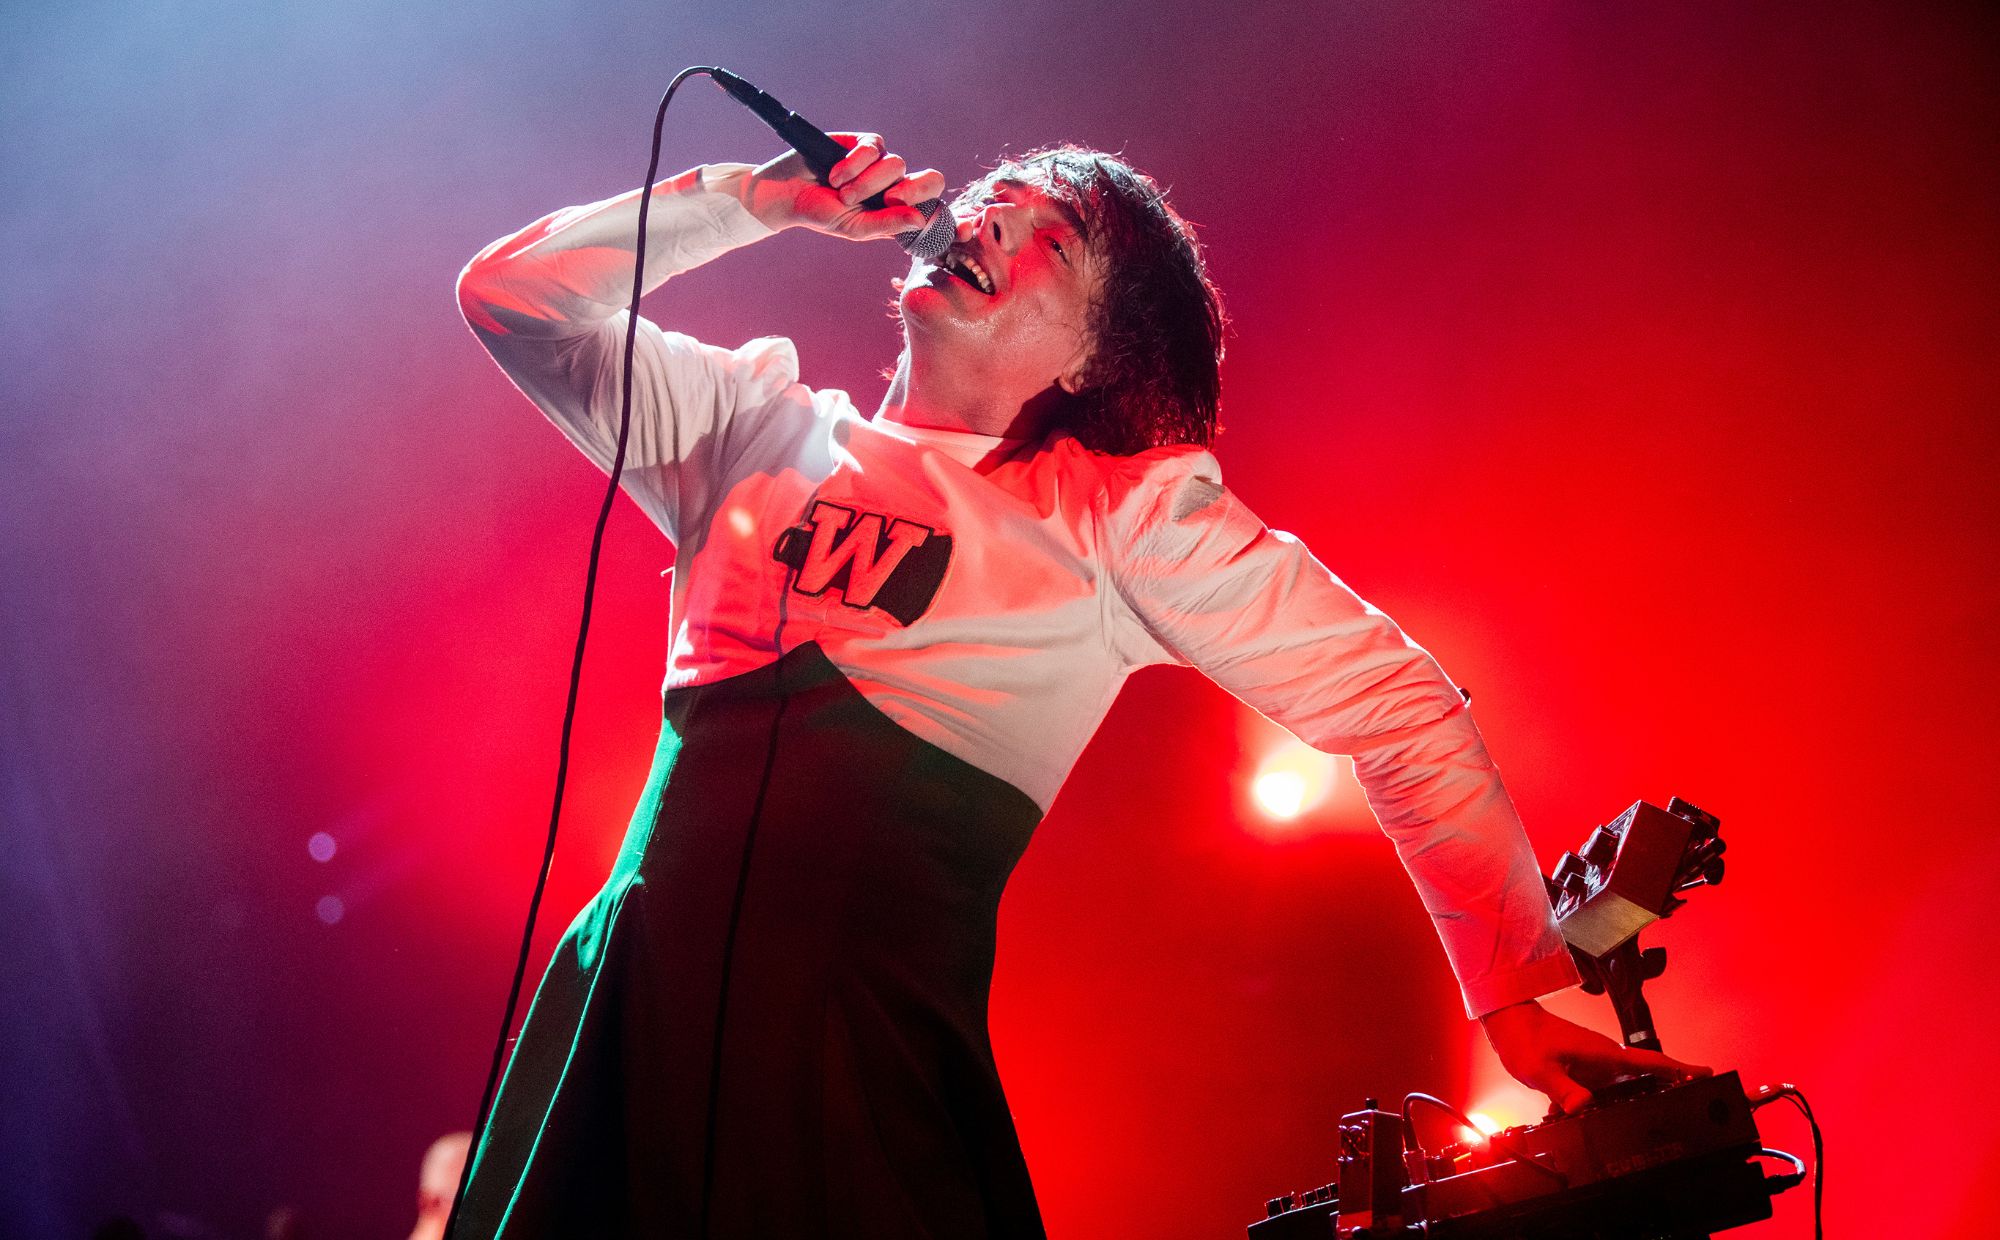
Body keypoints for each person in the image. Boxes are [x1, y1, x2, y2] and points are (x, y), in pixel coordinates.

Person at [451, 133, 1705, 1238]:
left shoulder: (1120, 526)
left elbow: (1397, 702)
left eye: (1051, 231)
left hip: (857, 1066)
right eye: (992, 196)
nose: (991, 216)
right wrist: (756, 203)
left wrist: (1514, 989)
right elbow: (510, 296)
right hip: (627, 1021)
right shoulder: (747, 427)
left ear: (1094, 350)